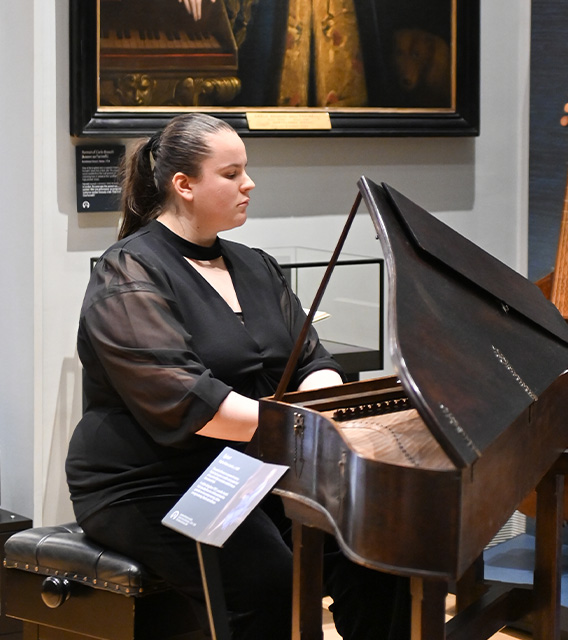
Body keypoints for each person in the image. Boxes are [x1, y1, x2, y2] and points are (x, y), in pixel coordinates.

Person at [65, 113, 410, 639]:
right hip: (152, 479)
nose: (249, 184)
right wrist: (304, 426)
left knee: (378, 549)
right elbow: (193, 405)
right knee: (266, 580)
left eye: (245, 170)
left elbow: (312, 361)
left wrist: (317, 407)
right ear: (184, 185)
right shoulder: (128, 273)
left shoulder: (255, 265)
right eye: (231, 174)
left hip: (255, 462)